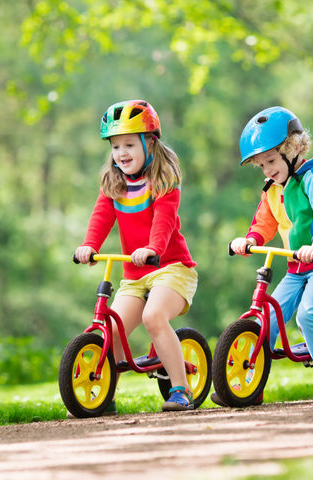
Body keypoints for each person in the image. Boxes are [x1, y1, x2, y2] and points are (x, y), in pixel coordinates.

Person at [214, 106, 313, 405]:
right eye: (261, 165)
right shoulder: (273, 189)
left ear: (294, 149)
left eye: (271, 161)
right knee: (268, 320)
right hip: (296, 267)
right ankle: (252, 383)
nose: (267, 170)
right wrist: (249, 240)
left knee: (308, 314)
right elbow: (264, 222)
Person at [74, 99, 198, 414]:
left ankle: (181, 390)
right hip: (134, 274)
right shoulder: (113, 184)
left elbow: (164, 222)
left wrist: (153, 249)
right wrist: (90, 245)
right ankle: (104, 398)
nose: (122, 153)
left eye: (129, 144)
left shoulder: (163, 183)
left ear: (150, 143)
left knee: (153, 317)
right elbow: (101, 217)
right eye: (116, 147)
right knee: (111, 330)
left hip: (171, 268)